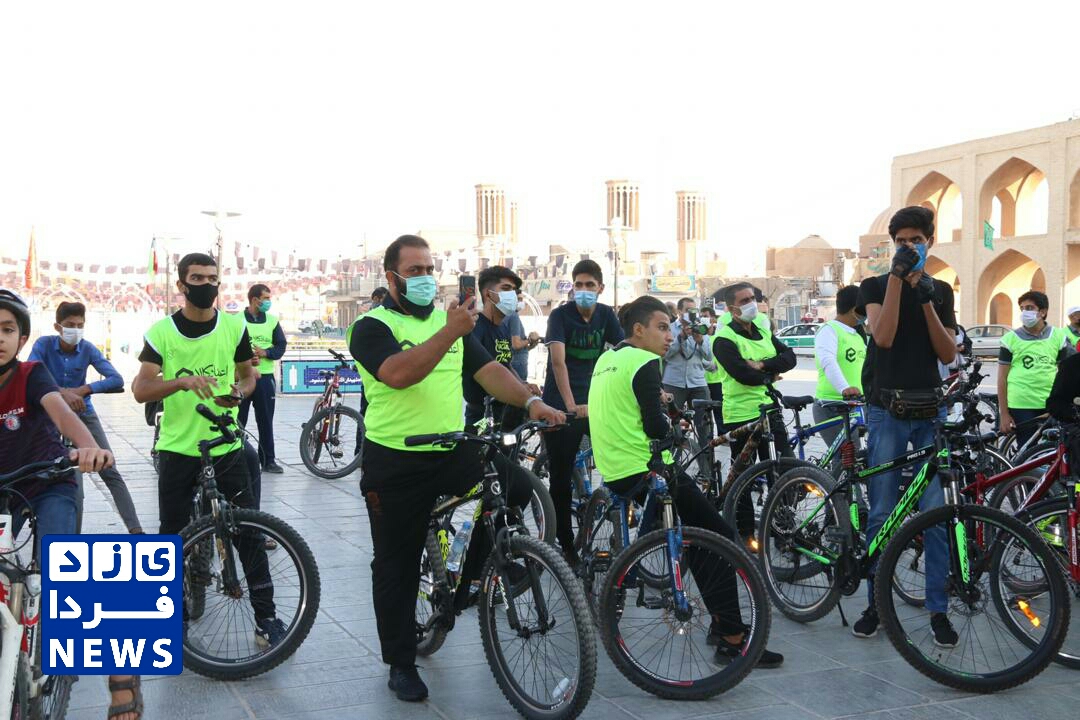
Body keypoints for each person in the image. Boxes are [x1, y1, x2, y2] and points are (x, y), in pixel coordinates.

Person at [349, 235, 564, 702]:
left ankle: (474, 577)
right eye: (415, 271)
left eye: (430, 269)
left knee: (515, 486)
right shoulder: (371, 326)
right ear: (392, 277)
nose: (425, 277)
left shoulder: (452, 327)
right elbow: (398, 375)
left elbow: (489, 373)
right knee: (395, 564)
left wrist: (531, 402)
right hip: (396, 459)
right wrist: (449, 332)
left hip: (451, 448)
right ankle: (401, 662)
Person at [588, 295, 783, 667]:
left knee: (697, 538)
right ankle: (731, 637)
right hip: (650, 470)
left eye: (670, 327)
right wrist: (674, 430)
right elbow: (653, 425)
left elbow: (625, 407)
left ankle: (722, 623)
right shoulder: (645, 360)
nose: (669, 336)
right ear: (638, 330)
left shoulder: (607, 360)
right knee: (719, 538)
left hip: (616, 472)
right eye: (662, 327)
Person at [0, 289, 143, 720]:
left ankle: (121, 673)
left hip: (46, 480)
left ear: (22, 338)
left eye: (7, 329)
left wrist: (87, 447)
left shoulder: (32, 374)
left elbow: (62, 413)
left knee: (64, 563)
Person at [131, 253, 286, 648]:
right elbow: (141, 389)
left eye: (212, 278)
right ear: (182, 285)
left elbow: (248, 377)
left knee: (248, 532)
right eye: (197, 278)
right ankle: (172, 619)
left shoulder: (234, 327)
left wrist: (240, 392)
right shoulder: (162, 332)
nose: (206, 284)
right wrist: (180, 383)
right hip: (179, 448)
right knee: (170, 538)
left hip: (226, 443)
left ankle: (266, 618)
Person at [855, 205, 958, 644]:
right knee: (882, 512)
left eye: (917, 240)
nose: (909, 247)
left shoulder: (941, 290)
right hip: (887, 410)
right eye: (901, 241)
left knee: (935, 515)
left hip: (929, 410)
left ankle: (938, 611)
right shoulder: (874, 286)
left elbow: (947, 352)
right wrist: (897, 279)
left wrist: (926, 298)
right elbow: (883, 336)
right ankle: (877, 603)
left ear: (930, 242)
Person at [28, 301, 143, 533]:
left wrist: (84, 390)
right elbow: (30, 373)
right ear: (58, 327)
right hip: (50, 415)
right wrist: (62, 393)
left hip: (83, 414)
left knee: (109, 468)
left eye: (80, 325)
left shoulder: (88, 349)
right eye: (70, 325)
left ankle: (136, 530)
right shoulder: (43, 345)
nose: (76, 330)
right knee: (62, 481)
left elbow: (116, 379)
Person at [541, 259, 624, 563]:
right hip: (562, 402)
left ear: (601, 288)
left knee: (621, 457)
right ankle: (564, 544)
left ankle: (618, 524)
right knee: (561, 477)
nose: (584, 290)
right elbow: (558, 362)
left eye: (590, 285)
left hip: (594, 398)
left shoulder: (606, 315)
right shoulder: (560, 316)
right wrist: (570, 406)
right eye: (579, 285)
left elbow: (624, 351)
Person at [712, 282, 797, 539]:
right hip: (742, 414)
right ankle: (746, 535)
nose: (752, 304)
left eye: (753, 298)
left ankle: (783, 529)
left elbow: (790, 357)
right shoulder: (724, 339)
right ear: (732, 309)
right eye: (744, 300)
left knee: (782, 469)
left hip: (770, 408)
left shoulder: (762, 329)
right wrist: (771, 374)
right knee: (745, 478)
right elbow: (742, 375)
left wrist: (761, 365)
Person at [463, 266, 540, 428]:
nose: (512, 295)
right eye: (506, 288)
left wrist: (522, 384)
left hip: (506, 411)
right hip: (482, 415)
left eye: (514, 290)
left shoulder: (503, 328)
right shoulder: (475, 327)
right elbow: (485, 371)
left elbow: (506, 364)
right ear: (488, 294)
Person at [997, 290, 1072, 448]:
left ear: (1043, 312)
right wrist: (1004, 413)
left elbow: (1066, 374)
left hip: (1051, 403)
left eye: (1030, 308)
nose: (1025, 312)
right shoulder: (1010, 339)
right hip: (1021, 405)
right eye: (1022, 308)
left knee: (1055, 449)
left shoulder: (1058, 337)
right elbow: (1002, 378)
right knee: (1027, 450)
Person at [239, 284, 287, 473]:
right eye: (266, 298)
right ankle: (237, 459)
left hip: (265, 379)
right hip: (242, 378)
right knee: (237, 420)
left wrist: (266, 353)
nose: (268, 302)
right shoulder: (236, 321)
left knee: (266, 420)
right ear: (254, 299)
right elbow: (228, 347)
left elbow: (281, 346)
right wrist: (245, 359)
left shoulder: (273, 321)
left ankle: (268, 461)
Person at [812, 285, 866, 446]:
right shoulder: (829, 330)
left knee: (861, 454)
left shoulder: (857, 335)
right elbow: (827, 361)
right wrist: (844, 388)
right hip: (832, 406)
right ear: (855, 309)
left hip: (856, 404)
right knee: (847, 455)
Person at [662, 297, 713, 443]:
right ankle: (673, 455)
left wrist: (700, 340)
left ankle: (706, 456)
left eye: (694, 310)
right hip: (674, 382)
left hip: (698, 382)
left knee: (705, 426)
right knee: (672, 424)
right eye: (688, 310)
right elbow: (665, 354)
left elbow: (709, 356)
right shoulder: (669, 329)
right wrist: (681, 338)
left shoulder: (701, 328)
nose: (691, 314)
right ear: (679, 311)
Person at [506, 288, 539, 382]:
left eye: (522, 299)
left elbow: (516, 348)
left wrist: (531, 344)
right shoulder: (513, 316)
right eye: (519, 299)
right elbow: (516, 345)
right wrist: (529, 340)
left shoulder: (504, 316)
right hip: (517, 364)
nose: (521, 302)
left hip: (513, 361)